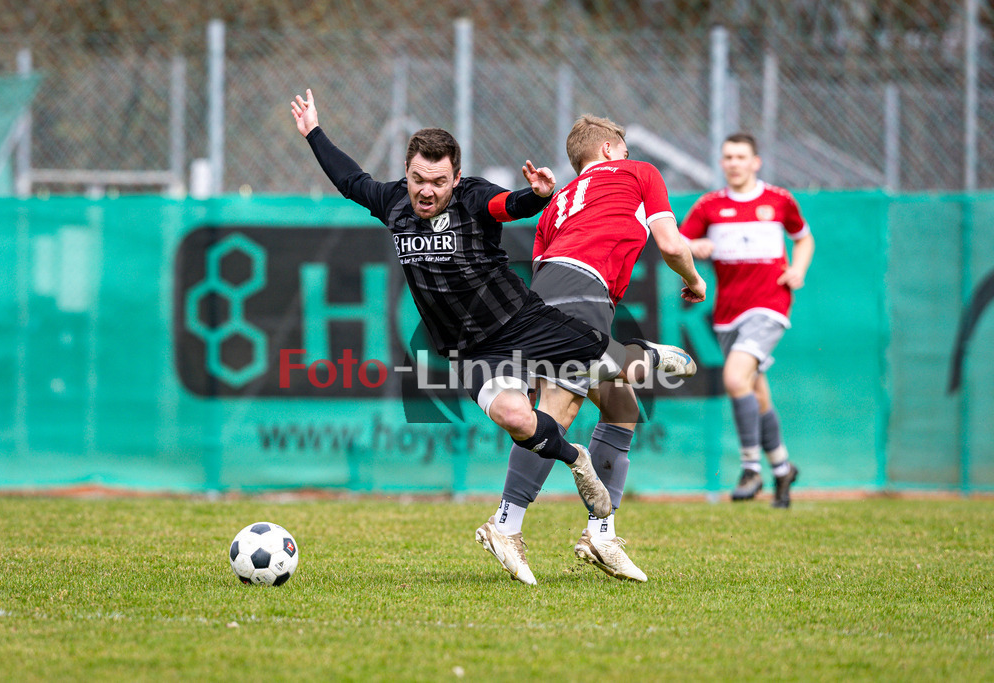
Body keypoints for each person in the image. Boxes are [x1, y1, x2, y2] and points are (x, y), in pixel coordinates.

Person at [290, 89, 698, 539]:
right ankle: (567, 475)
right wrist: (313, 132)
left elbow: (507, 206)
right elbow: (351, 179)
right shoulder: (394, 202)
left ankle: (645, 361)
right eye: (418, 179)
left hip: (520, 324)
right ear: (406, 172)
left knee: (615, 376)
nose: (426, 190)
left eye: (438, 181)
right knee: (523, 417)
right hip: (469, 349)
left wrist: (536, 195)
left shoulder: (472, 197)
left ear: (456, 177)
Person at [476, 115, 706, 585]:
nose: (627, 155)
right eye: (623, 148)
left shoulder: (558, 201)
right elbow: (670, 244)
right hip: (583, 289)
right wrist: (694, 279)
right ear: (607, 149)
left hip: (555, 290)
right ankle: (505, 524)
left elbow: (543, 266)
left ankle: (601, 533)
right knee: (558, 408)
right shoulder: (638, 172)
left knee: (621, 405)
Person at [679, 132, 815, 508]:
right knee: (755, 391)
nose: (734, 163)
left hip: (770, 305)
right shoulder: (710, 206)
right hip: (727, 313)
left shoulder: (779, 200)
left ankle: (750, 468)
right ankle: (782, 468)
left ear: (756, 162)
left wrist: (798, 269)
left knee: (735, 378)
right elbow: (676, 241)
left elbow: (804, 238)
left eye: (741, 157)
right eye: (728, 157)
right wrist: (694, 246)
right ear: (722, 163)